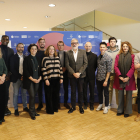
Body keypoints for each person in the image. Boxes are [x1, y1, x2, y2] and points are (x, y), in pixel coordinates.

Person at [113, 41, 136, 118]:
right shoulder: (118, 56)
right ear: (122, 48)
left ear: (129, 47)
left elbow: (133, 67)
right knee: (120, 95)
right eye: (123, 46)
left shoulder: (133, 56)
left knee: (129, 96)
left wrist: (127, 77)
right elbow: (115, 66)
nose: (125, 47)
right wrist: (120, 76)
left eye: (126, 46)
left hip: (129, 79)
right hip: (120, 78)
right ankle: (120, 110)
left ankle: (128, 111)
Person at [65, 38, 88, 114]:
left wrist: (79, 73)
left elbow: (85, 63)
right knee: (73, 92)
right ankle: (73, 107)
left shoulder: (83, 52)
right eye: (72, 43)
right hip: (72, 76)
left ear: (78, 44)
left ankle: (81, 107)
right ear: (71, 44)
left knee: (81, 92)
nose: (74, 44)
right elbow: (67, 65)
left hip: (81, 76)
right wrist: (73, 73)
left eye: (75, 43)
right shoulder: (67, 53)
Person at [42, 45, 63, 114]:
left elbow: (60, 68)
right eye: (50, 49)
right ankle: (49, 110)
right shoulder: (45, 59)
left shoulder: (57, 58)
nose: (51, 50)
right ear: (48, 51)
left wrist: (61, 78)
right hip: (49, 79)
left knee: (56, 95)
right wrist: (46, 79)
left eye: (53, 49)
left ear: (54, 51)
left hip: (57, 79)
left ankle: (55, 108)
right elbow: (43, 69)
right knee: (49, 95)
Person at [23, 44, 42, 120]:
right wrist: (32, 79)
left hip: (37, 80)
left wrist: (40, 77)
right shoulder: (27, 59)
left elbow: (40, 69)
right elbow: (25, 71)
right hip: (30, 80)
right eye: (32, 49)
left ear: (37, 50)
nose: (34, 50)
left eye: (35, 49)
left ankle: (34, 111)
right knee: (32, 96)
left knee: (34, 96)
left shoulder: (38, 58)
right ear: (30, 50)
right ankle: (31, 112)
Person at [10, 43, 29, 116]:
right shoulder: (12, 57)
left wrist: (24, 76)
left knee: (24, 93)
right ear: (16, 48)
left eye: (22, 47)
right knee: (15, 94)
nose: (21, 48)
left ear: (23, 48)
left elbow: (27, 68)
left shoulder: (26, 57)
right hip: (16, 79)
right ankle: (16, 109)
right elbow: (12, 69)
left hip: (24, 79)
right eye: (19, 47)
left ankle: (25, 107)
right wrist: (20, 76)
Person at [96, 42, 112, 114]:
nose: (102, 48)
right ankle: (100, 104)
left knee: (106, 93)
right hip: (98, 78)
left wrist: (106, 80)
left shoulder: (108, 57)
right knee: (99, 92)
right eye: (101, 47)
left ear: (106, 48)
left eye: (103, 47)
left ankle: (106, 107)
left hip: (105, 79)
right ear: (99, 48)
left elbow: (109, 71)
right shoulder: (98, 57)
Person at [0, 35, 14, 116]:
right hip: (0, 75)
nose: (5, 40)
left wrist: (9, 74)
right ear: (1, 40)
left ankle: (5, 108)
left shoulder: (11, 50)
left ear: (8, 41)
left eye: (7, 39)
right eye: (4, 39)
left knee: (5, 93)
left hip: (7, 76)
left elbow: (11, 64)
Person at [106, 37, 119, 108]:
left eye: (114, 41)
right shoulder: (106, 52)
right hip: (109, 73)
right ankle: (109, 104)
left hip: (117, 74)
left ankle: (118, 104)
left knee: (117, 89)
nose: (112, 43)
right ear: (109, 43)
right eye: (111, 41)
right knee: (109, 89)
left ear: (116, 42)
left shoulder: (119, 51)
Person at [83, 42, 97, 110]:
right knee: (84, 91)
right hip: (84, 76)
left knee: (92, 91)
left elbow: (95, 66)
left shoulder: (94, 56)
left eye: (89, 46)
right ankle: (85, 104)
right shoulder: (82, 55)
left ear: (91, 47)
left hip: (91, 76)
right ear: (84, 47)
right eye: (87, 46)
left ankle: (92, 104)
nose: (88, 47)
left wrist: (91, 71)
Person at [57, 41, 70, 109]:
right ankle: (58, 103)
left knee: (66, 89)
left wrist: (65, 68)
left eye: (61, 45)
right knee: (57, 89)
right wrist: (59, 69)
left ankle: (65, 103)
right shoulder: (55, 54)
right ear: (57, 46)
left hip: (66, 74)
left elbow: (70, 63)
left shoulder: (67, 53)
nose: (60, 46)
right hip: (57, 74)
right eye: (59, 45)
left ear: (63, 46)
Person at [36, 38, 46, 111]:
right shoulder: (36, 52)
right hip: (38, 74)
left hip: (46, 74)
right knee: (39, 91)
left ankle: (48, 104)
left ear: (45, 43)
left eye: (43, 42)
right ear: (38, 43)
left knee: (47, 89)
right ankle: (40, 104)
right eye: (41, 42)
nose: (42, 43)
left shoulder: (47, 52)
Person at [0, 48, 7, 125]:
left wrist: (3, 77)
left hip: (2, 81)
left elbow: (5, 69)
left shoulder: (1, 59)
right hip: (0, 79)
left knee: (3, 100)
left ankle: (1, 117)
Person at [134, 52, 140, 121]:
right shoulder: (138, 55)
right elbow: (136, 67)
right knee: (139, 96)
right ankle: (139, 113)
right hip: (139, 78)